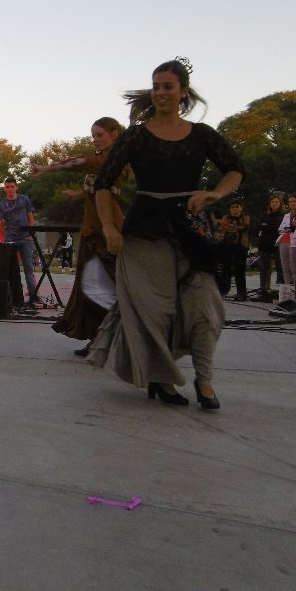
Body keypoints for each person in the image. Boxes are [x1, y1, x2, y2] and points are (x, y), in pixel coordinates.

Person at [91, 58, 244, 410]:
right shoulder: (137, 135)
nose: (159, 92)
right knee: (155, 311)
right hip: (146, 230)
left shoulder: (202, 134)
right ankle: (161, 380)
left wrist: (215, 194)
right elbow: (104, 183)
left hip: (190, 229)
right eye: (155, 86)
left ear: (183, 92)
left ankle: (204, 380)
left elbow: (236, 170)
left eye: (167, 86)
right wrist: (110, 227)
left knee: (206, 307)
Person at [32, 117, 126, 354]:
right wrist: (78, 193)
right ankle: (99, 337)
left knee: (108, 286)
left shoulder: (112, 159)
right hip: (91, 229)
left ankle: (121, 338)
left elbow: (79, 162)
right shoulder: (105, 160)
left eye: (100, 134)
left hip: (106, 230)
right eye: (93, 135)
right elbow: (96, 189)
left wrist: (46, 168)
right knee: (91, 286)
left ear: (114, 134)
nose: (95, 139)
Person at [0, 177, 39, 304]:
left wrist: (31, 233)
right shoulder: (1, 205)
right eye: (7, 187)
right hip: (10, 238)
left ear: (16, 187)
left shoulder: (24, 199)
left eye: (12, 186)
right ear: (4, 189)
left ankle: (33, 294)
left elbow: (30, 216)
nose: (10, 189)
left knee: (28, 267)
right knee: (10, 268)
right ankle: (11, 296)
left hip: (25, 238)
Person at [255, 194, 285, 302]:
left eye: (276, 201)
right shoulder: (265, 215)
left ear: (280, 203)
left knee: (280, 267)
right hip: (264, 244)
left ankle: (282, 290)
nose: (274, 203)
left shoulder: (283, 215)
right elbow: (260, 226)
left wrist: (267, 226)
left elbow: (279, 228)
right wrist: (270, 227)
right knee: (264, 267)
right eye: (272, 202)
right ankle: (263, 289)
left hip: (277, 245)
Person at [219, 200, 250, 300]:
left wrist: (233, 227)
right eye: (232, 207)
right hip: (227, 246)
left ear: (241, 208)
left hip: (241, 246)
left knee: (240, 270)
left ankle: (241, 292)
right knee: (226, 269)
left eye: (237, 206)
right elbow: (223, 227)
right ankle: (223, 290)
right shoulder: (226, 217)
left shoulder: (245, 217)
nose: (235, 209)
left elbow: (245, 227)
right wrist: (236, 228)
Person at [277, 194, 296, 301]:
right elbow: (281, 228)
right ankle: (287, 292)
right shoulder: (286, 215)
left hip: (295, 241)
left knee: (294, 267)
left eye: (294, 201)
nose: (292, 203)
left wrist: (291, 228)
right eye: (290, 201)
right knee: (285, 267)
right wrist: (287, 228)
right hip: (284, 241)